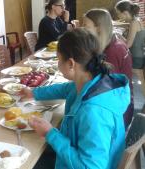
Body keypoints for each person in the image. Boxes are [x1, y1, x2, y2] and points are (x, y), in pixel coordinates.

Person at [21, 28, 130, 168]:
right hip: (75, 150)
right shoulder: (92, 81)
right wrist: (34, 93)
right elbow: (65, 89)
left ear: (71, 64)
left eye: (59, 60)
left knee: (28, 158)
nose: (58, 65)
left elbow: (92, 166)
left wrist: (50, 133)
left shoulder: (93, 112)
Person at [83, 8, 133, 128]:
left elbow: (103, 89)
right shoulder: (113, 41)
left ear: (99, 28)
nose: (82, 28)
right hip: (122, 104)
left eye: (86, 25)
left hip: (118, 115)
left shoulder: (112, 52)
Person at [115, 0, 145, 95]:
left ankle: (120, 96)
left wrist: (118, 36)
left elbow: (128, 44)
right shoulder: (136, 20)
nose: (118, 16)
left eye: (119, 14)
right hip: (139, 55)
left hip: (136, 57)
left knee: (116, 69)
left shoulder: (134, 23)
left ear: (125, 13)